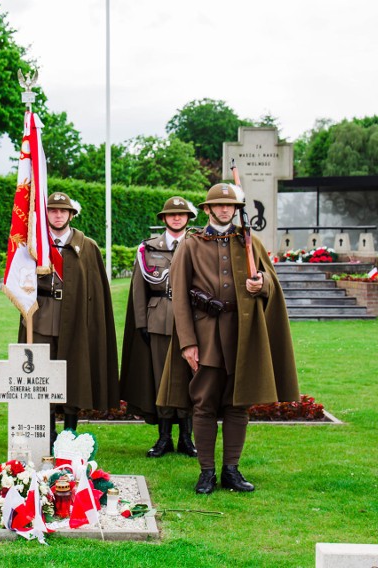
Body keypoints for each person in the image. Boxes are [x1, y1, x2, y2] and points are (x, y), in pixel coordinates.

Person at [158, 183, 299, 494]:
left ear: (236, 209)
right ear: (207, 209)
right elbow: (179, 297)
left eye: (230, 206)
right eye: (218, 205)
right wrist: (188, 342)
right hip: (205, 336)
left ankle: (231, 471)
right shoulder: (191, 245)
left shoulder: (250, 243)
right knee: (204, 404)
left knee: (239, 405)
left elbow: (271, 285)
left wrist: (260, 285)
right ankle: (207, 472)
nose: (224, 210)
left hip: (242, 335)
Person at [18, 191, 119, 443]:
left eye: (63, 211)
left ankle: (70, 433)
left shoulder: (88, 247)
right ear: (45, 214)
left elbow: (96, 289)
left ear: (72, 214)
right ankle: (47, 432)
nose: (58, 214)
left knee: (74, 373)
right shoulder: (33, 245)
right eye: (53, 210)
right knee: (41, 375)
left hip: (76, 320)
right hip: (41, 318)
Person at [120, 196, 198, 458]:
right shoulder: (148, 249)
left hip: (192, 322)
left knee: (190, 378)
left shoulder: (197, 245)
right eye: (171, 214)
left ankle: (186, 437)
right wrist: (142, 322)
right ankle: (164, 437)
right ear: (164, 219)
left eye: (181, 214)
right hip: (159, 320)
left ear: (188, 218)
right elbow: (139, 289)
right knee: (161, 378)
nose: (177, 218)